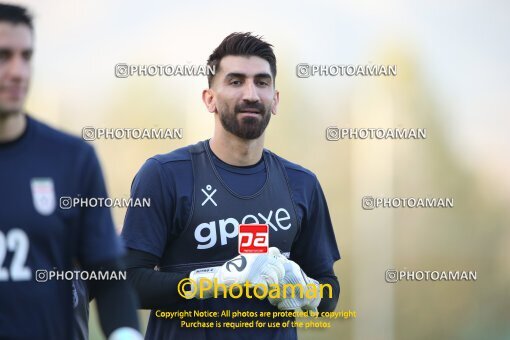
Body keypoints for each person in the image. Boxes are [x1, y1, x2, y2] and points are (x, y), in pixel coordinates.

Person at [122, 32, 341, 339]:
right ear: (209, 99)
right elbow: (127, 282)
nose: (251, 94)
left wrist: (307, 288)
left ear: (275, 100)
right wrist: (216, 279)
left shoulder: (302, 183)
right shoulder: (165, 175)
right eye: (236, 81)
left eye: (262, 82)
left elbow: (329, 290)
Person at [0, 4, 142, 339]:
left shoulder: (72, 159)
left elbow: (108, 278)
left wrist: (125, 335)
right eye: (4, 55)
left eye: (26, 56)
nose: (18, 71)